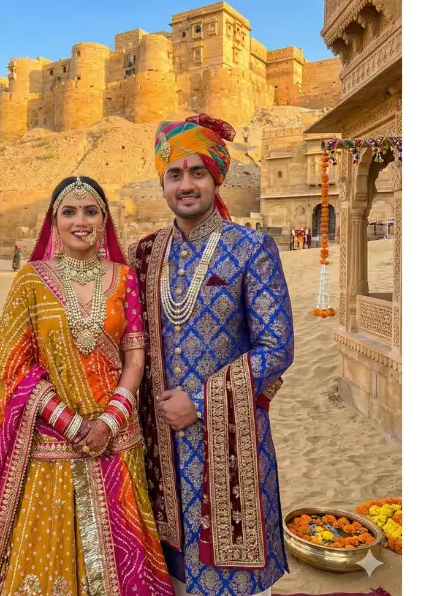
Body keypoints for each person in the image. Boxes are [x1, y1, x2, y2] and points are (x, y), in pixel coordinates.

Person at [0, 176, 173, 596]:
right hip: (51, 443)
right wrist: (72, 424)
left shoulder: (124, 279)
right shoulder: (32, 281)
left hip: (116, 440)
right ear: (54, 221)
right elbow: (12, 370)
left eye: (90, 211)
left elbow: (136, 357)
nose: (80, 221)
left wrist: (109, 420)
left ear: (104, 220)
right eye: (69, 212)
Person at [131, 115, 295, 596]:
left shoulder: (251, 248)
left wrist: (200, 404)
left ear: (215, 177)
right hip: (157, 446)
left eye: (197, 172)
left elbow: (276, 349)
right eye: (175, 174)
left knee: (230, 582)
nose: (186, 185)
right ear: (162, 182)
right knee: (171, 572)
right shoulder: (145, 253)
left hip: (230, 442)